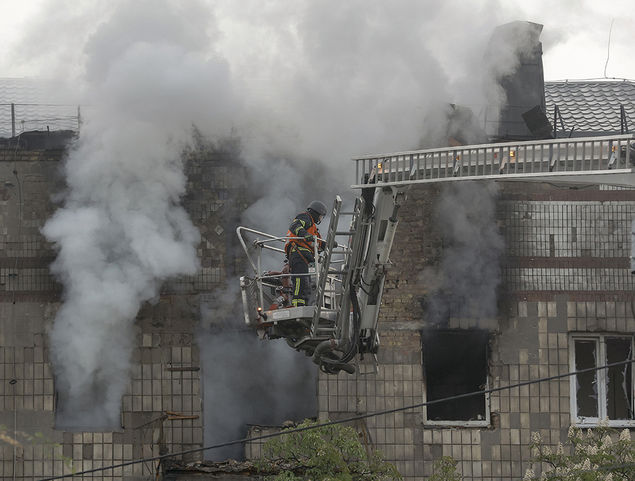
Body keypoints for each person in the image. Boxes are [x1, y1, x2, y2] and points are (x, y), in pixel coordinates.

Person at [285, 200, 327, 307]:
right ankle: (297, 304)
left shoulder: (312, 227)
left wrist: (328, 244)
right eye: (320, 216)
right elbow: (295, 226)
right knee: (300, 280)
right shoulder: (305, 217)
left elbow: (317, 242)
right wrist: (304, 234)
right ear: (316, 212)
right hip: (298, 253)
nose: (320, 219)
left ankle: (303, 304)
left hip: (303, 257)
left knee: (306, 283)